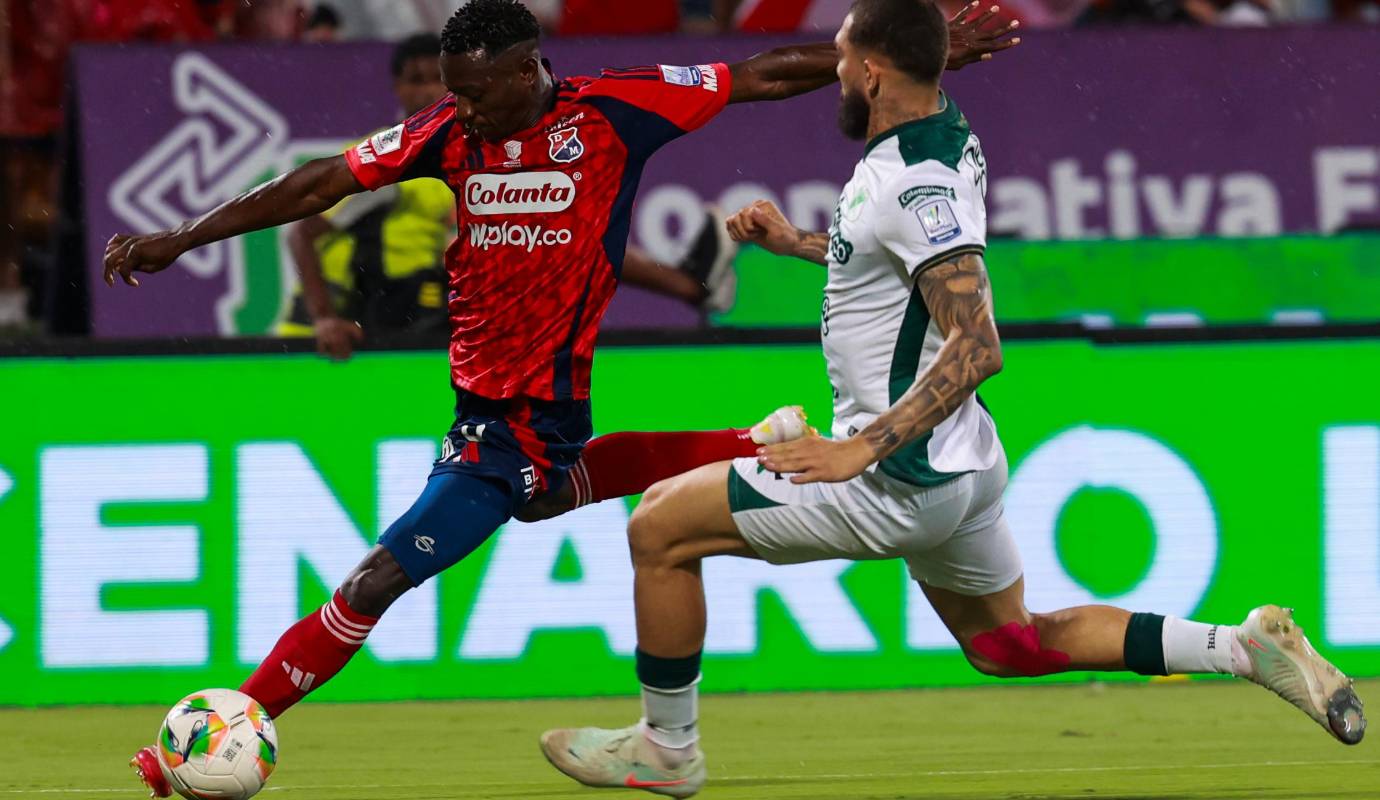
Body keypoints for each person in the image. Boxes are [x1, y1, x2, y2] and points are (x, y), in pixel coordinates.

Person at [105, 1, 1013, 794]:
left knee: (377, 577)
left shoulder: (615, 109)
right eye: (452, 91)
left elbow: (759, 73)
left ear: (527, 66)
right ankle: (751, 439)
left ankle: (242, 714)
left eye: (477, 90)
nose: (461, 108)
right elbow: (319, 183)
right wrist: (183, 237)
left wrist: (911, 62)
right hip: (486, 408)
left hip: (516, 425)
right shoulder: (445, 135)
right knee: (546, 498)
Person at [537, 1, 1364, 796]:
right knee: (1010, 644)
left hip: (895, 475)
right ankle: (1241, 648)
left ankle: (667, 748)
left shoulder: (912, 183)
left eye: (838, 62)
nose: (833, 75)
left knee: (658, 527)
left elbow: (977, 345)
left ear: (868, 70)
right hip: (963, 463)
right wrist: (796, 242)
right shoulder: (939, 133)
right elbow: (891, 259)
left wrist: (858, 449)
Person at [284, 34, 739, 361]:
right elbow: (303, 233)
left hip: (431, 311)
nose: (424, 90)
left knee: (554, 230)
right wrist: (324, 318)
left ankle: (689, 285)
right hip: (372, 319)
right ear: (396, 89)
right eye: (413, 80)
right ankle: (690, 285)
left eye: (434, 81)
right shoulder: (391, 160)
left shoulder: (467, 145)